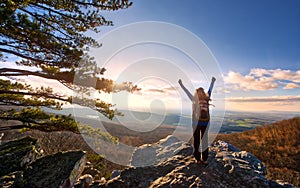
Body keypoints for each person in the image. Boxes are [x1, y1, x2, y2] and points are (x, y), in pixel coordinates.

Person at [178, 77, 216, 164]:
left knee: (197, 140)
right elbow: (210, 89)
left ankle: (198, 159)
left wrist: (181, 84)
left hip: (196, 123)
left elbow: (186, 91)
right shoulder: (206, 98)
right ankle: (204, 159)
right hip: (205, 122)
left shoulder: (194, 99)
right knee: (204, 140)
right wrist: (212, 81)